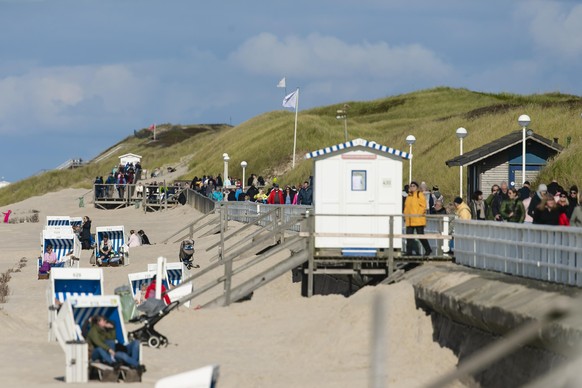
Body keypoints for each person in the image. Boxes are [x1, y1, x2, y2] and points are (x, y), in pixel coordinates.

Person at [403, 181, 432, 256]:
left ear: (416, 187)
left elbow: (423, 206)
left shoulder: (419, 194)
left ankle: (428, 249)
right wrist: (405, 215)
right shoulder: (409, 196)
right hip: (409, 220)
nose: (412, 187)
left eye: (413, 186)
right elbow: (406, 207)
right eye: (411, 186)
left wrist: (417, 215)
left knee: (420, 235)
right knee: (408, 236)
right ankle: (408, 252)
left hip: (418, 220)